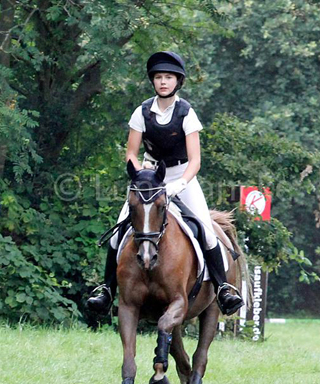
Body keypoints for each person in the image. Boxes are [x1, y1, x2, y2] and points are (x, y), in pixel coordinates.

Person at [87, 51, 243, 316]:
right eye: (158, 77)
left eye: (168, 77)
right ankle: (106, 290)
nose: (162, 82)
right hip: (148, 181)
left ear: (177, 81)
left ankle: (223, 288)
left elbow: (195, 160)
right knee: (118, 232)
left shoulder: (186, 112)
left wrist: (179, 184)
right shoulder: (142, 111)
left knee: (205, 229)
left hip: (182, 176)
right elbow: (130, 154)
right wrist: (140, 172)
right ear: (153, 81)